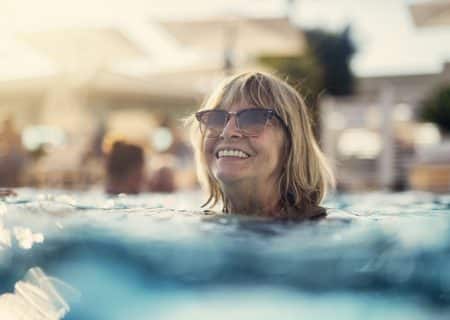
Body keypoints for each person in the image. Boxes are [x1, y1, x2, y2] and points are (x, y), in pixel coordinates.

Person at [188, 71, 335, 220]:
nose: (227, 132)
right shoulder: (194, 227)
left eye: (254, 118)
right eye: (216, 119)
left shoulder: (327, 231)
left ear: (291, 144)